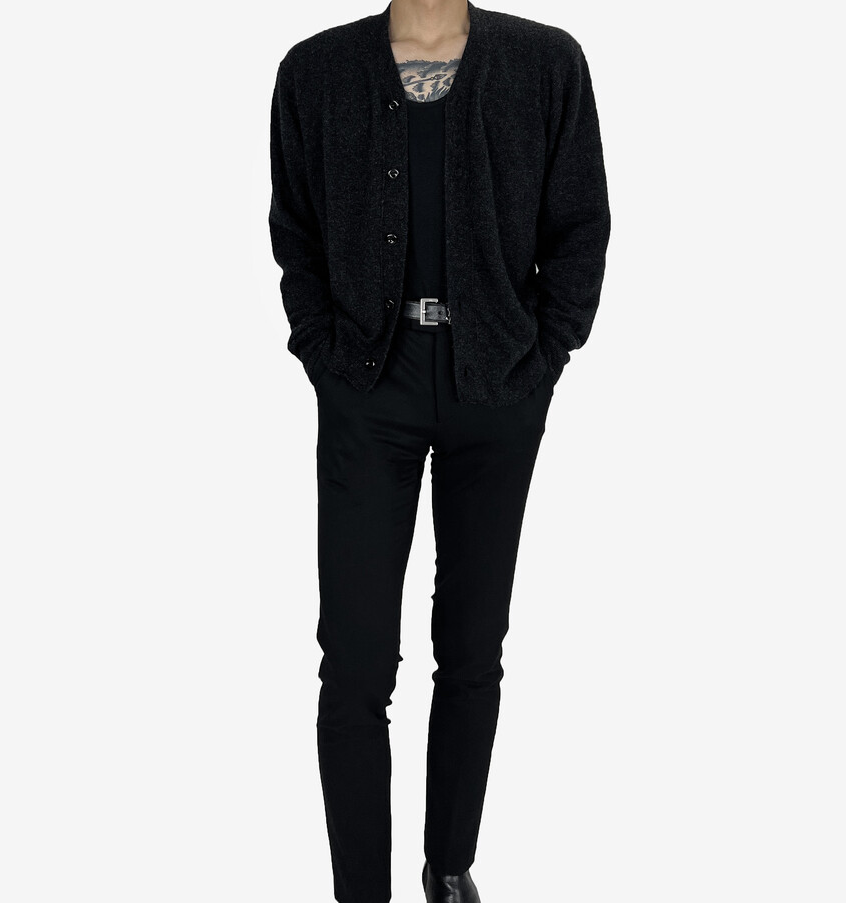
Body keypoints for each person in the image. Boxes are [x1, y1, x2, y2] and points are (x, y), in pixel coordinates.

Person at [268, 0, 610, 900]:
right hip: (367, 383)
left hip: (497, 381)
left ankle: (449, 866)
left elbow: (582, 223)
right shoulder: (315, 71)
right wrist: (325, 355)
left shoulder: (546, 63)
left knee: (471, 646)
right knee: (354, 661)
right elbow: (293, 231)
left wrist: (544, 356)